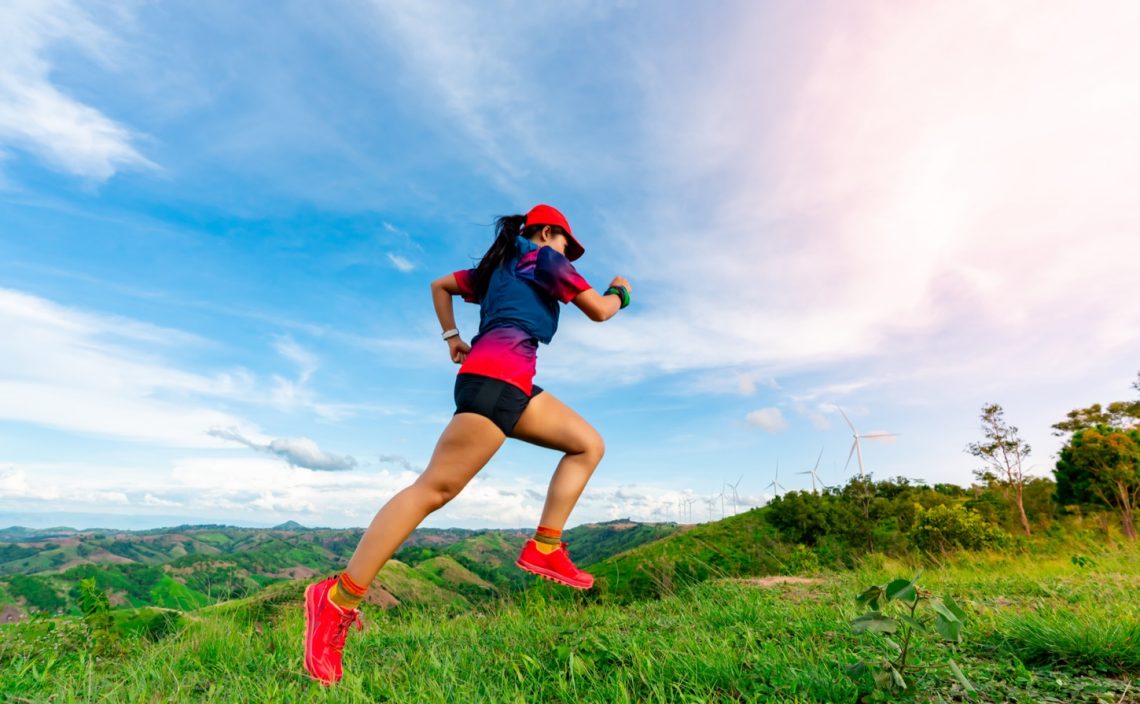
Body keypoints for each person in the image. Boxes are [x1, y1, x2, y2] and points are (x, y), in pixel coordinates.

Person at [303, 204, 631, 686]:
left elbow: (439, 285)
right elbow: (601, 311)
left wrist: (452, 337)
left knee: (587, 444)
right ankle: (337, 599)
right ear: (546, 233)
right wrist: (620, 289)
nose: (569, 255)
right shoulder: (544, 258)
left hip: (508, 382)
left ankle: (545, 545)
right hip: (498, 379)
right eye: (567, 244)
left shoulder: (498, 266)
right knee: (434, 490)